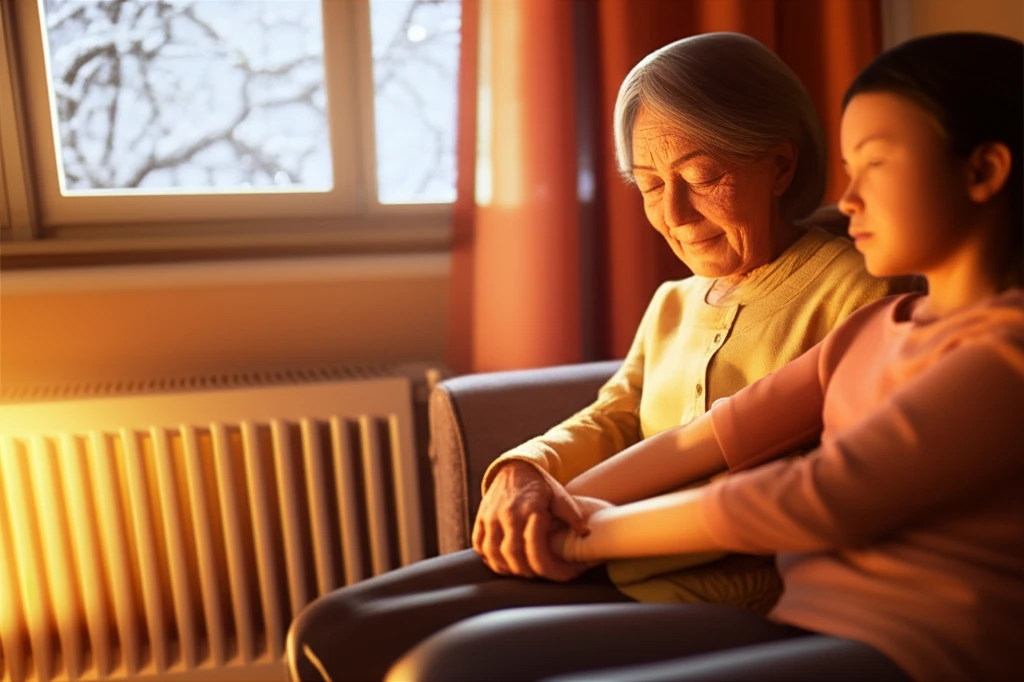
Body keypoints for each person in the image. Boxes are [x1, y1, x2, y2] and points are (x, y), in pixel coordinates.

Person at [386, 32, 1024, 682]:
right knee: (376, 631)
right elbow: (695, 432)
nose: (674, 213)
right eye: (649, 183)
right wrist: (537, 485)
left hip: (800, 611)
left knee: (446, 665)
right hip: (693, 581)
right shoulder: (843, 325)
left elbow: (817, 494)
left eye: (701, 176)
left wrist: (592, 530)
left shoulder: (896, 307)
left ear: (779, 166)